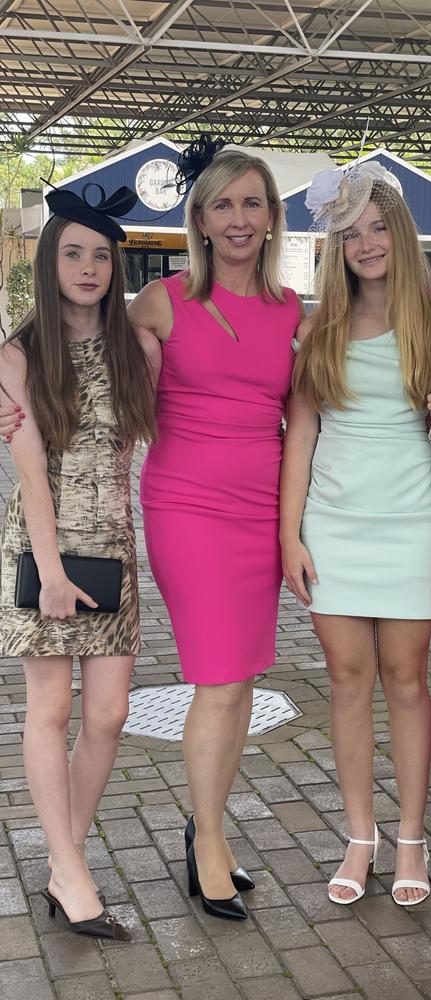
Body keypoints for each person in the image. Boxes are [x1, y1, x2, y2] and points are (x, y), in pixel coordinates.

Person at [280, 162, 431, 906]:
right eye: (350, 232)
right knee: (346, 683)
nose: (365, 243)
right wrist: (288, 538)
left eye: (376, 228)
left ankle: (410, 840)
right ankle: (359, 836)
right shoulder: (317, 329)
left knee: (406, 683)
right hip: (332, 528)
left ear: (398, 234)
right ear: (335, 244)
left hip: (411, 526)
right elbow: (299, 436)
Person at [127, 139, 301, 921]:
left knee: (242, 683)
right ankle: (204, 848)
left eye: (251, 203)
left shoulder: (292, 310)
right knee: (220, 679)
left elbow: (305, 418)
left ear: (271, 219)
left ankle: (210, 830)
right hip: (186, 509)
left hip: (261, 514)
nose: (238, 218)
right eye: (222, 204)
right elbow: (94, 376)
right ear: (199, 219)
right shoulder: (161, 303)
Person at [0, 184, 160, 940]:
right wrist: (54, 571)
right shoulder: (18, 355)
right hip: (43, 553)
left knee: (109, 714)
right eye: (74, 252)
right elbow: (32, 473)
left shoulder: (139, 349)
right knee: (53, 710)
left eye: (102, 254)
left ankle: (67, 859)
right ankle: (69, 869)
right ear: (49, 261)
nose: (89, 267)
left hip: (115, 550)